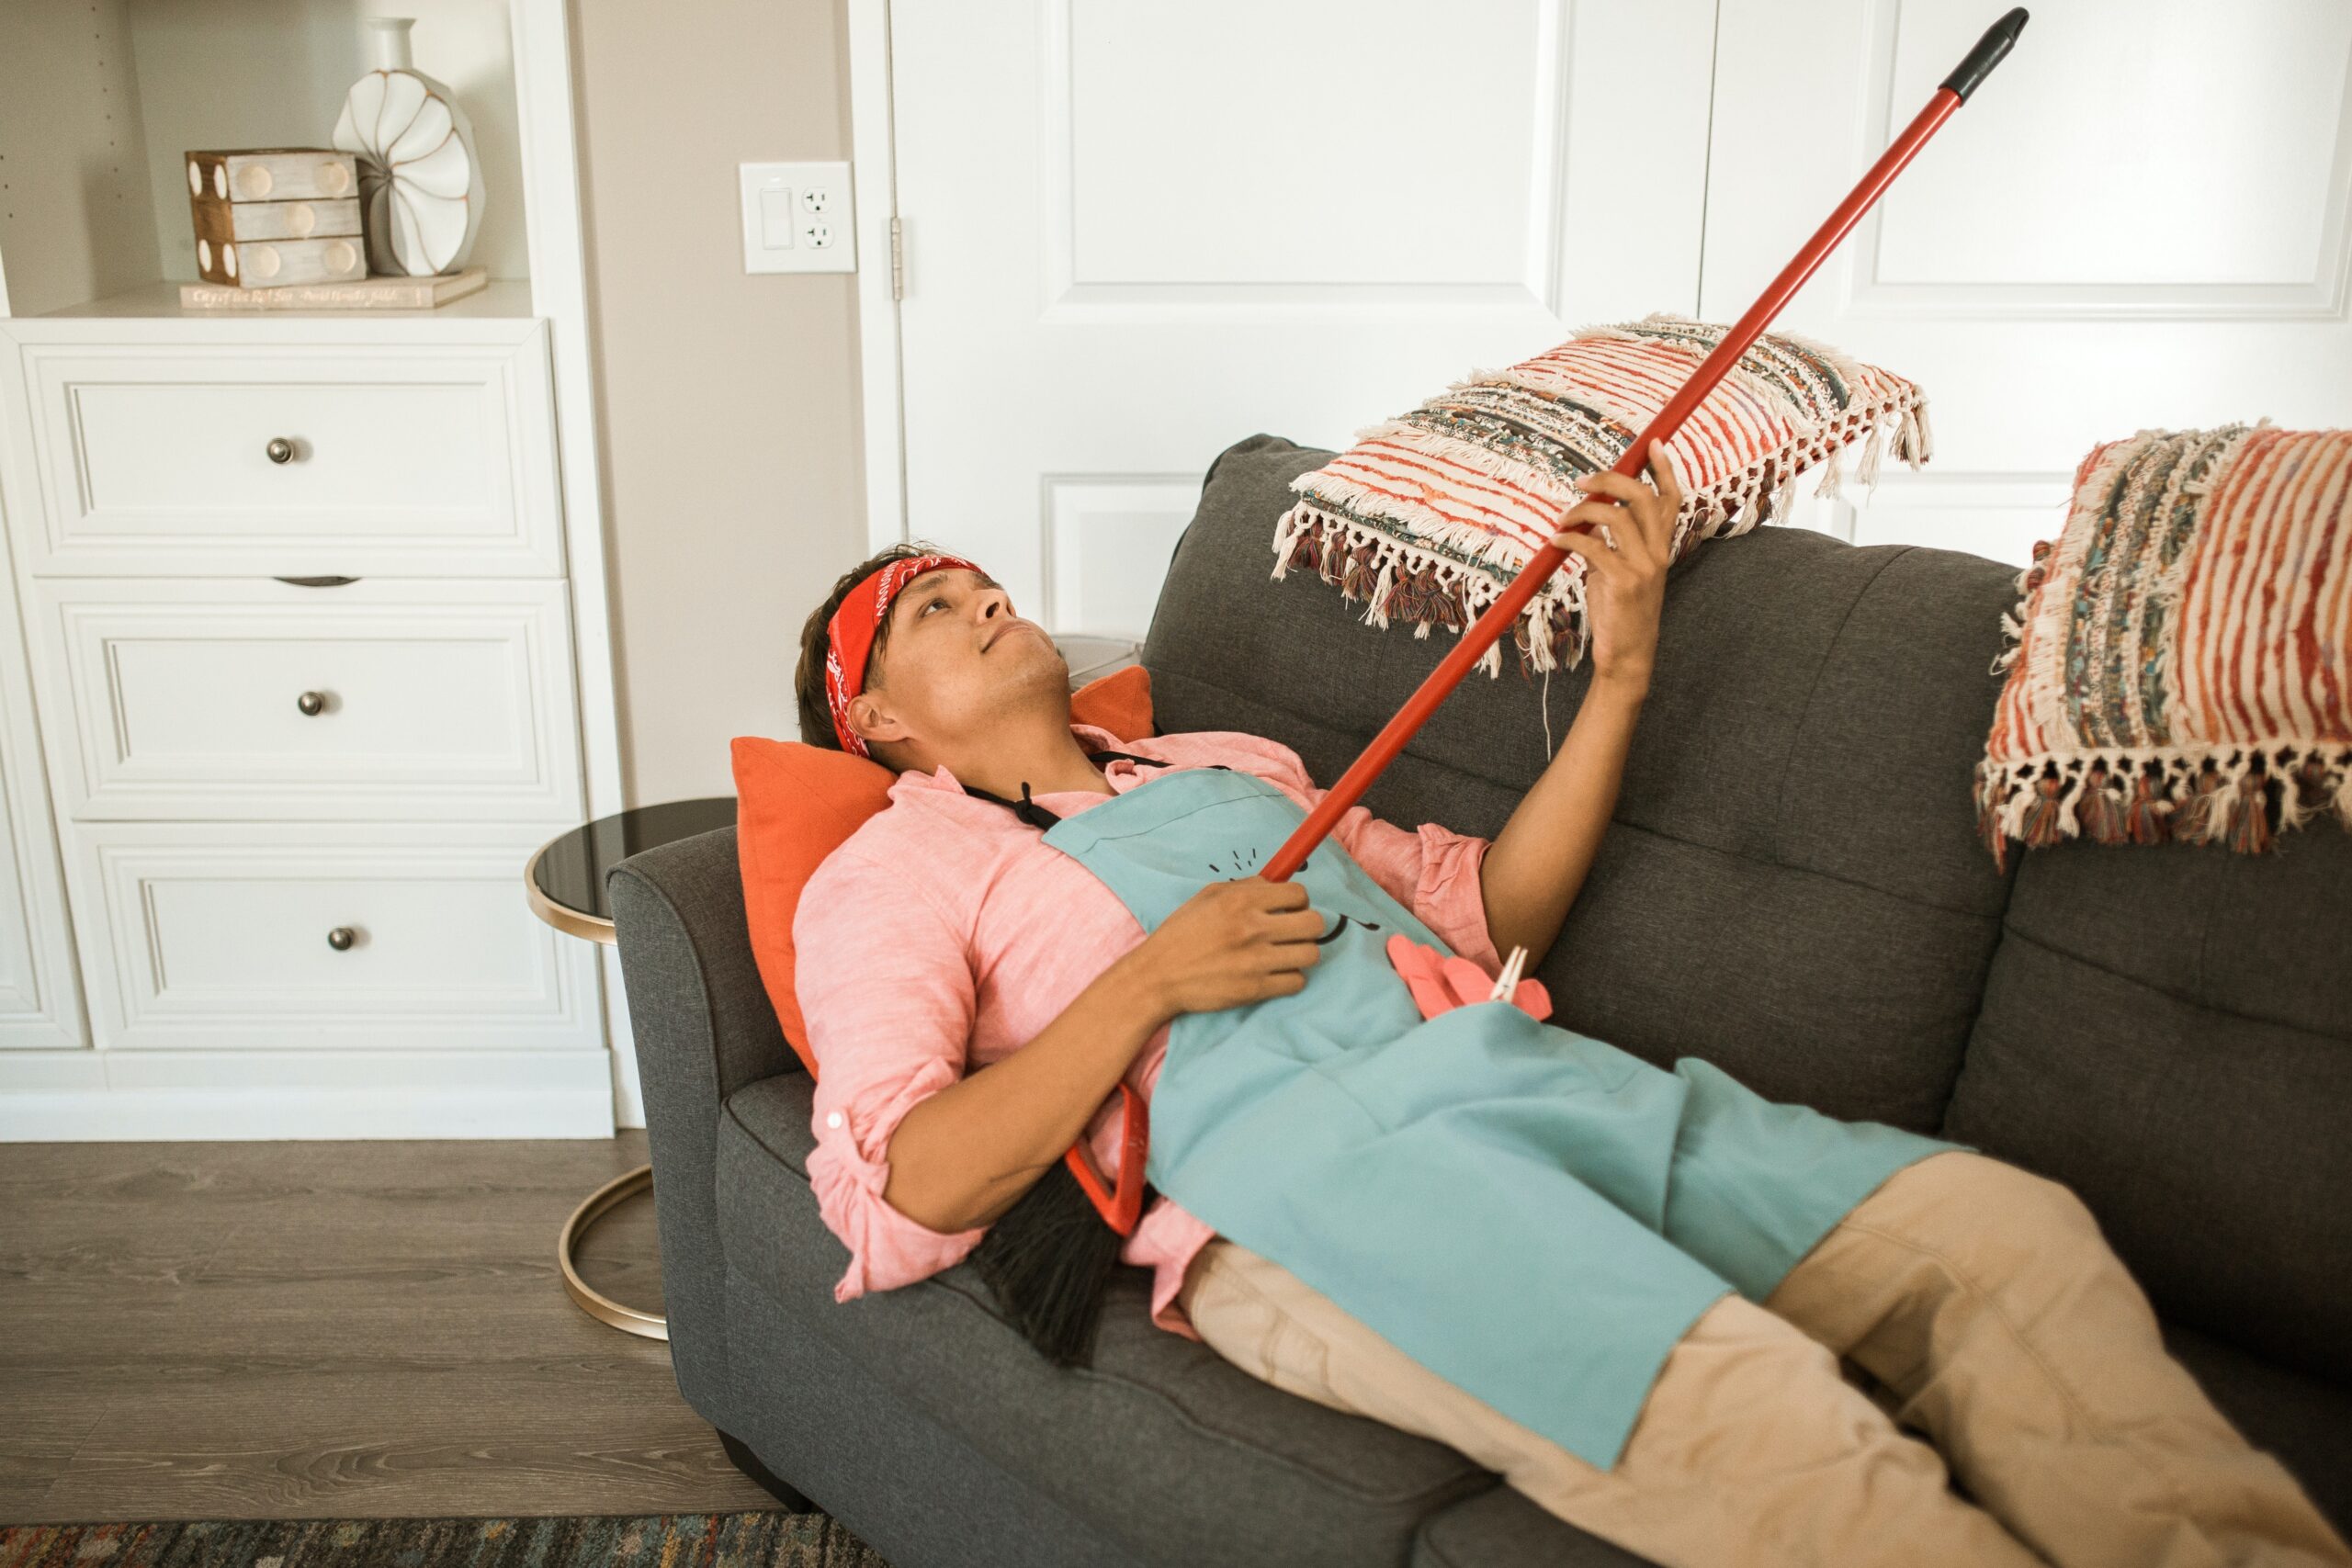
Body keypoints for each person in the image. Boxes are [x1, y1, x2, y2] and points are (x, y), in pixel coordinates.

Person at [787, 446, 2347, 1568]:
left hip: (1530, 1080)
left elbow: (1493, 905)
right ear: (874, 722)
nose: (980, 596)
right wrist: (1146, 984)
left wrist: (1622, 675)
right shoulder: (892, 878)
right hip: (1315, 1196)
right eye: (930, 609)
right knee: (1778, 1436)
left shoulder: (1226, 765)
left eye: (979, 580)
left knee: (2001, 1243)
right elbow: (900, 1187)